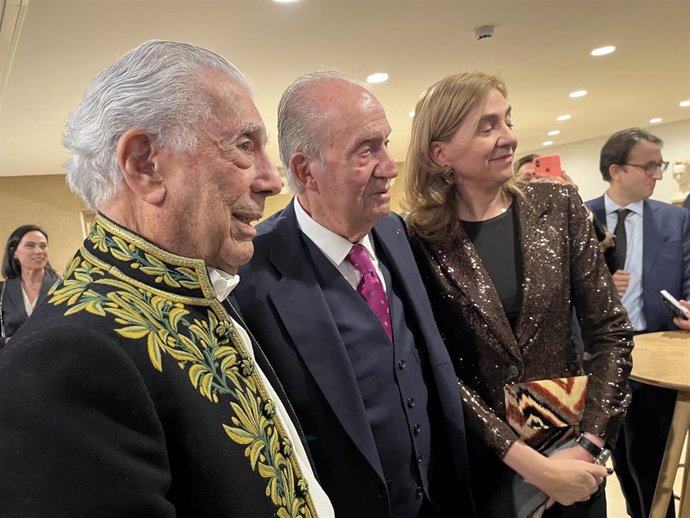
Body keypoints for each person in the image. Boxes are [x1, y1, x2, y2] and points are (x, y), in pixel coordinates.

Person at [0, 40, 334, 518]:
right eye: (244, 146)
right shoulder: (65, 359)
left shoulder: (200, 290)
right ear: (144, 165)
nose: (271, 179)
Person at [233, 71, 475, 518]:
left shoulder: (395, 232)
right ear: (307, 171)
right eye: (367, 150)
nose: (390, 166)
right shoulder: (249, 273)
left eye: (385, 143)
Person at [403, 71, 633, 518]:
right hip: (483, 465)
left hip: (573, 456)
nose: (508, 137)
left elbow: (610, 333)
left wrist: (588, 445)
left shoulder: (558, 206)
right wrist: (522, 458)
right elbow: (437, 366)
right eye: (487, 127)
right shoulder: (416, 238)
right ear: (440, 152)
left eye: (507, 120)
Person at [586, 128, 690, 518]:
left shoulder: (676, 220)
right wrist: (599, 288)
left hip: (657, 357)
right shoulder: (579, 216)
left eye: (659, 165)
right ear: (616, 170)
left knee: (655, 458)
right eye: (649, 166)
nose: (658, 174)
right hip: (600, 359)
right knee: (617, 455)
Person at [0, 224, 58, 346]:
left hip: (56, 359)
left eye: (43, 246)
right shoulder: (2, 291)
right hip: (13, 361)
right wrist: (7, 342)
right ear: (14, 252)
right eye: (30, 246)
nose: (39, 251)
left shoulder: (64, 287)